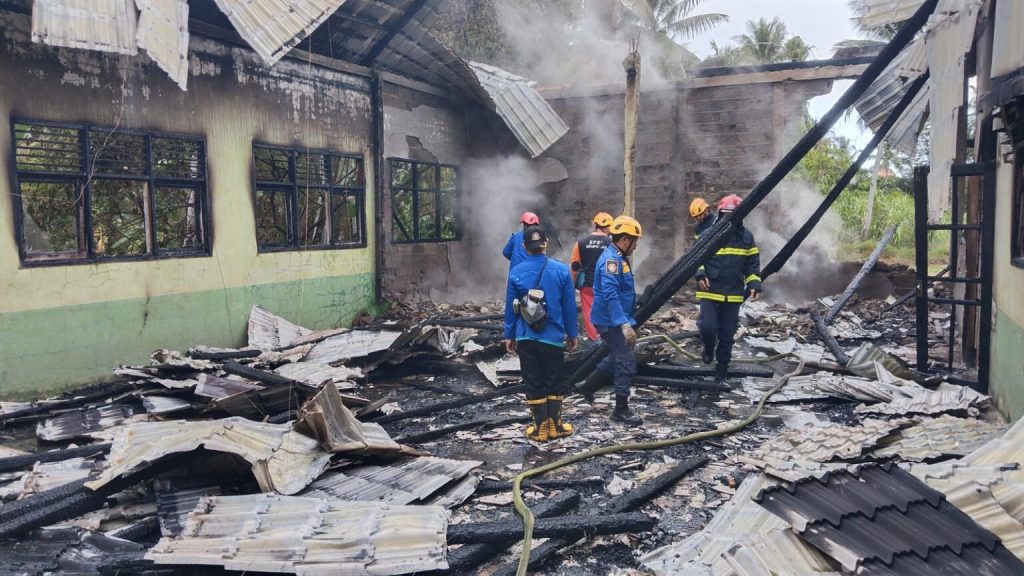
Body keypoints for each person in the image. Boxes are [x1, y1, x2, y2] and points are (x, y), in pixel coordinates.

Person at [504, 225, 579, 442]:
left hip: (526, 335)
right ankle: (555, 426)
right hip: (552, 337)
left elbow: (511, 307)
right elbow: (569, 307)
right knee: (554, 379)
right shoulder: (561, 270)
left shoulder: (516, 272)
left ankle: (539, 429)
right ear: (546, 243)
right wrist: (572, 333)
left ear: (524, 246)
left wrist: (509, 335)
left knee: (533, 379)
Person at [573, 215, 644, 426]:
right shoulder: (611, 261)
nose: (636, 246)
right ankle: (620, 410)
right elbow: (611, 294)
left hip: (615, 318)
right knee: (625, 362)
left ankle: (587, 386)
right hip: (611, 320)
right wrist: (624, 325)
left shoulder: (619, 257)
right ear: (625, 239)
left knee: (615, 357)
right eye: (635, 241)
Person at [694, 194, 762, 385]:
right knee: (708, 327)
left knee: (727, 334)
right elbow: (696, 259)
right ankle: (708, 348)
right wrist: (700, 275)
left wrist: (754, 284)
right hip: (710, 290)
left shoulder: (747, 238)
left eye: (733, 215)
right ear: (720, 214)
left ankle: (721, 369)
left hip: (732, 293)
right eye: (725, 214)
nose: (729, 219)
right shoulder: (707, 235)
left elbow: (752, 265)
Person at [570, 212, 613, 340]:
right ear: (607, 226)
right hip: (606, 284)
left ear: (596, 225)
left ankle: (594, 339)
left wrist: (572, 284)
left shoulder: (581, 242)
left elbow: (574, 265)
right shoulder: (612, 243)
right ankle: (607, 338)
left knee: (589, 312)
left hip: (587, 284)